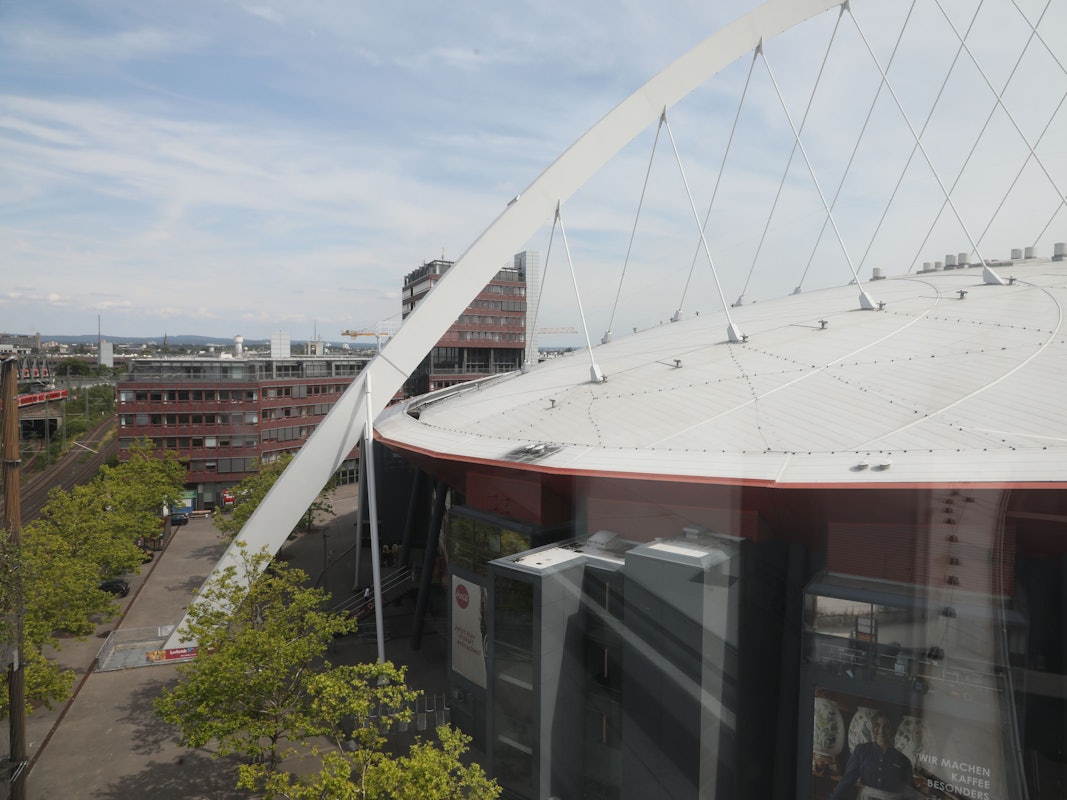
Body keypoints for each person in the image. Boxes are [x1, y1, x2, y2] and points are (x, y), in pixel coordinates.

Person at [831, 711, 914, 800]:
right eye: (877, 725)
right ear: (872, 727)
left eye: (886, 726)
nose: (881, 730)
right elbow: (847, 780)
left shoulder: (903, 760)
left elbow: (909, 793)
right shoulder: (861, 751)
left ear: (893, 730)